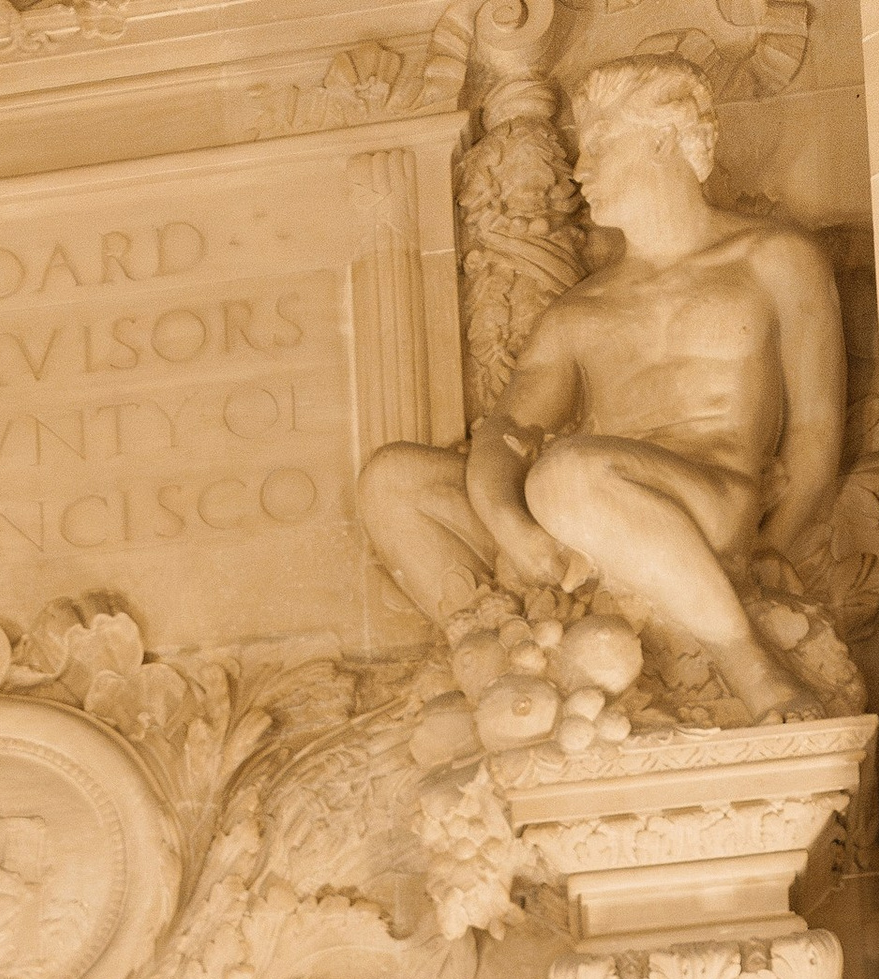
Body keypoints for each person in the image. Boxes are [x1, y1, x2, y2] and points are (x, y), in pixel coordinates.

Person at [359, 59, 845, 723]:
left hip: (712, 502)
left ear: (665, 140)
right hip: (575, 525)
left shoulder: (772, 259)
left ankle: (750, 668)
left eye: (600, 146)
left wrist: (769, 552)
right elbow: (503, 436)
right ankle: (506, 654)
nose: (581, 169)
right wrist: (512, 528)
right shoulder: (578, 313)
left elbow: (817, 429)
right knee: (393, 482)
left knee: (567, 476)